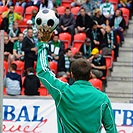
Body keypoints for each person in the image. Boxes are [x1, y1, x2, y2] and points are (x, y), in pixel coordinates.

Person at [36, 40, 117, 132]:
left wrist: (43, 44)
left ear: (72, 74)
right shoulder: (103, 98)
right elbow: (112, 129)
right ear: (90, 74)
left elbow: (43, 72)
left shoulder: (62, 92)